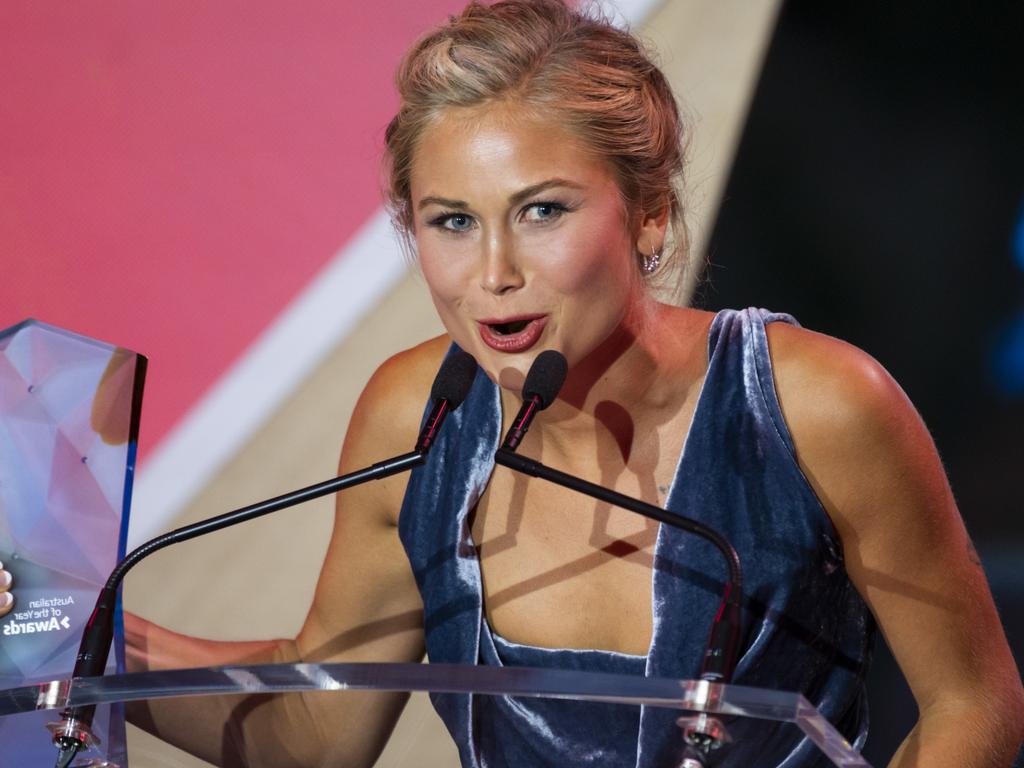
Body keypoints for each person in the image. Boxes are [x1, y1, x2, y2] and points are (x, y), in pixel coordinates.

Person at [4, 1, 1023, 765]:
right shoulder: (419, 420)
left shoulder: (816, 405)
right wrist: (64, 622)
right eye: (451, 221)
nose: (493, 270)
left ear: (650, 215)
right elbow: (314, 727)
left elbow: (972, 703)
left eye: (541, 211)